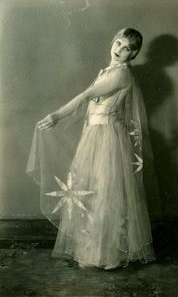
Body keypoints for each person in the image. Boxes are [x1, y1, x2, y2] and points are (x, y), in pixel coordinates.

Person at [26, 28, 158, 270]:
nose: (119, 49)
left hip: (107, 137)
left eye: (127, 48)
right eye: (118, 43)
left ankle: (106, 255)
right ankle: (92, 251)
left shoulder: (122, 75)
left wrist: (57, 115)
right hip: (95, 135)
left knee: (105, 192)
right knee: (92, 191)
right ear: (113, 42)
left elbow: (87, 96)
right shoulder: (108, 71)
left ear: (134, 53)